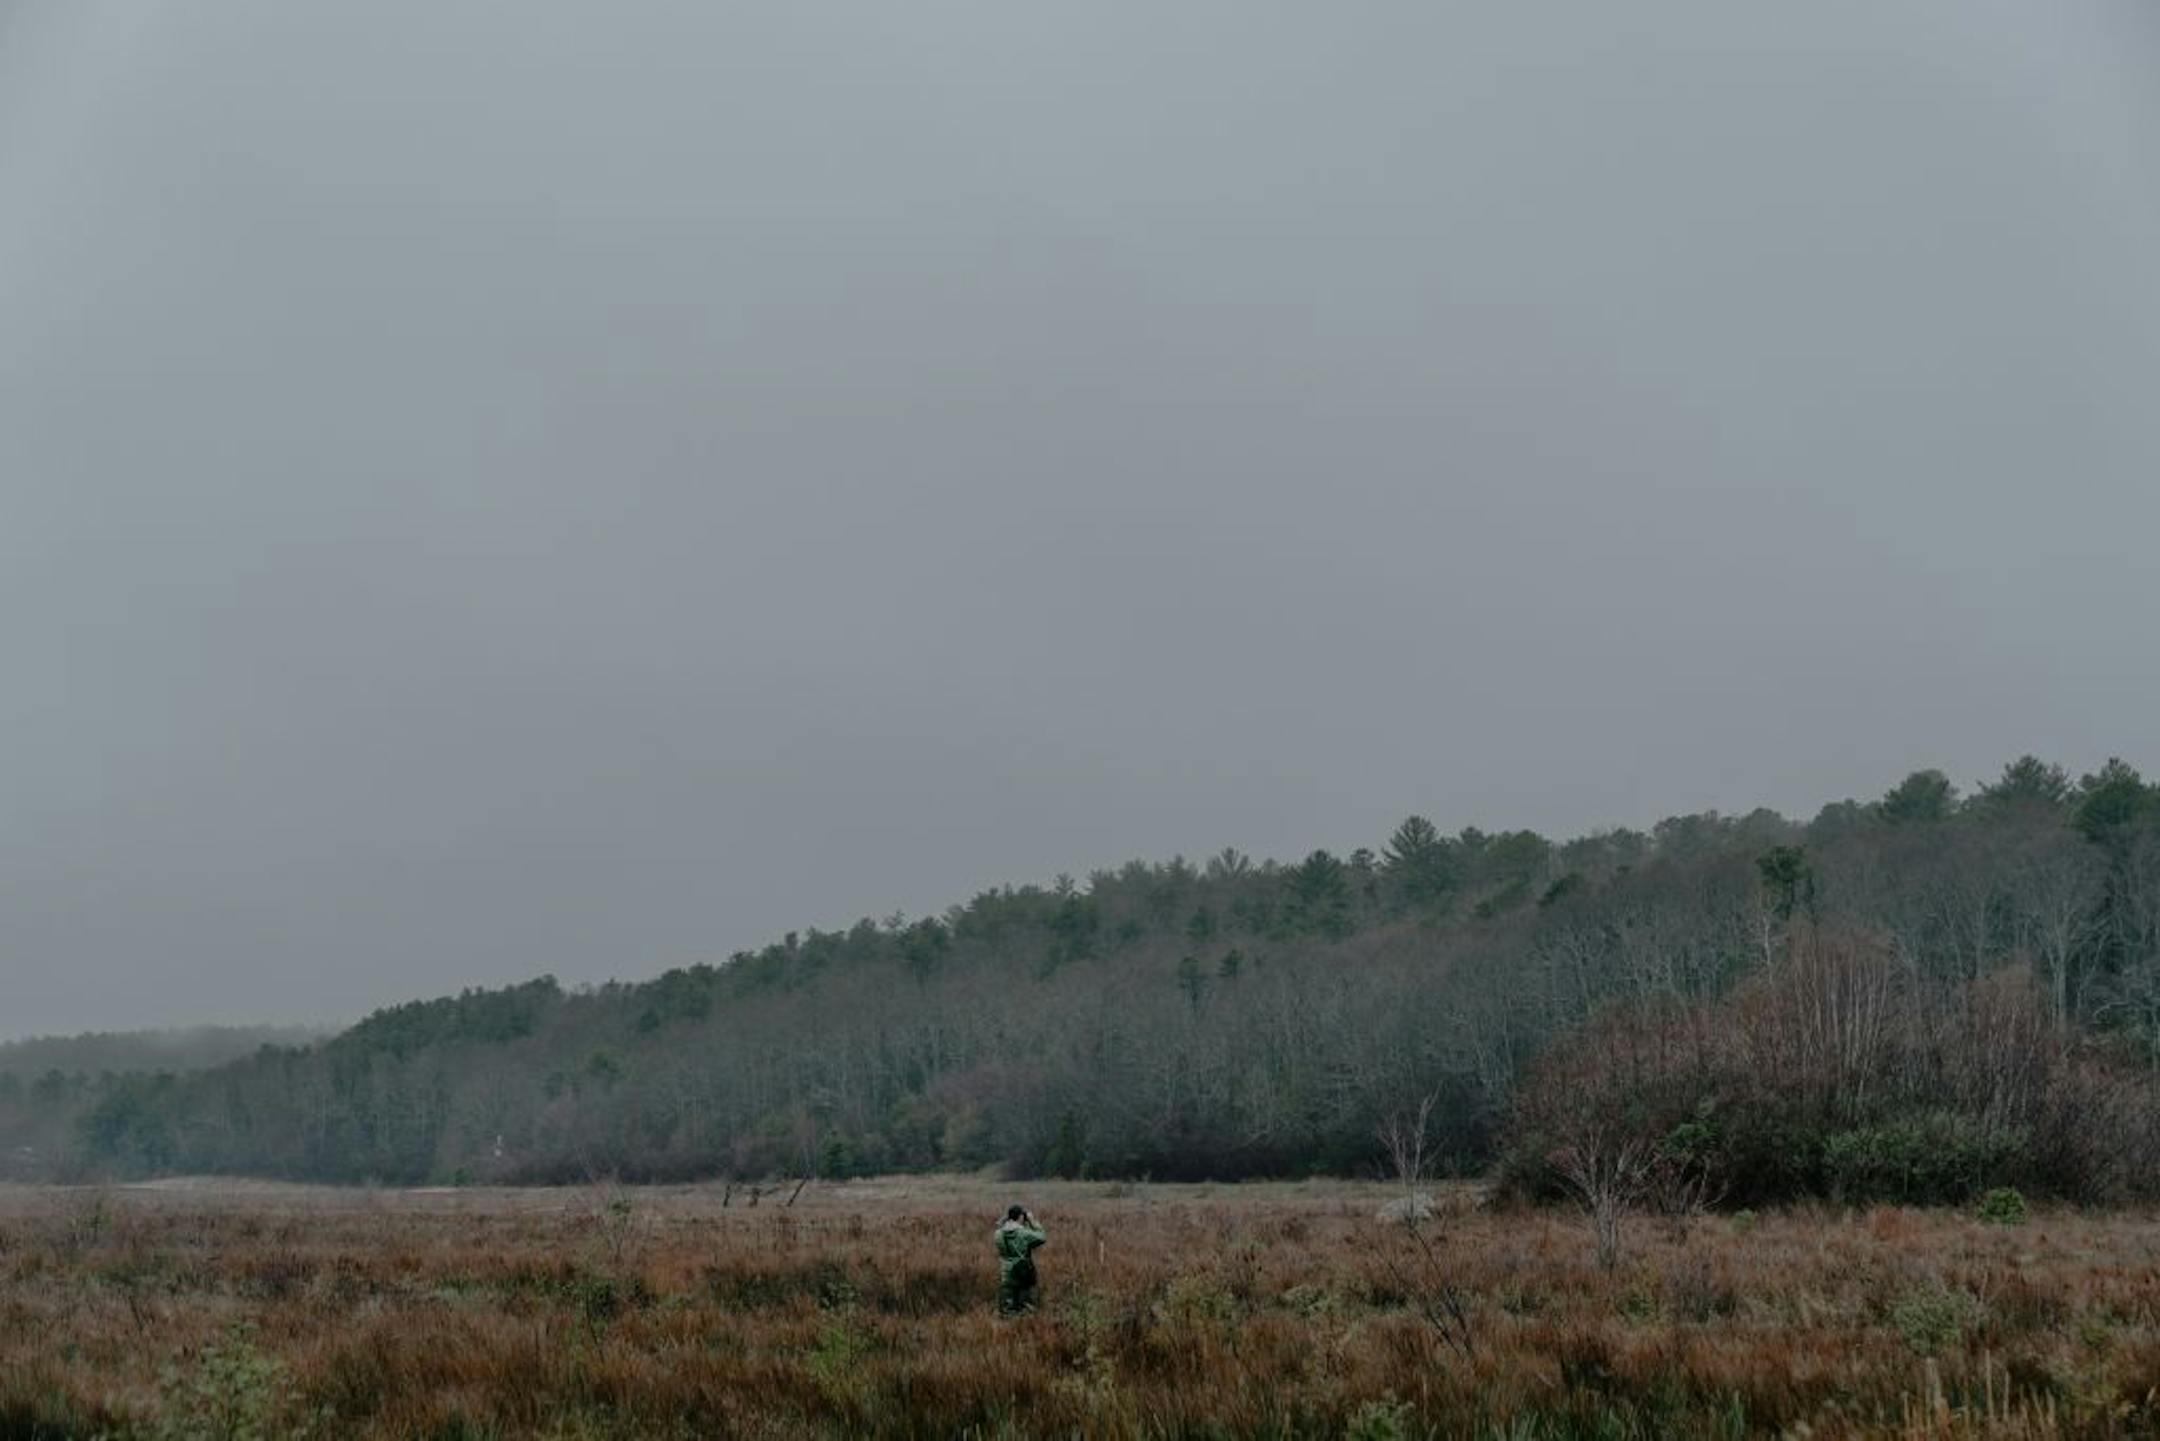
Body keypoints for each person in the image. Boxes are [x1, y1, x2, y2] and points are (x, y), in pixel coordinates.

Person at [993, 1204, 1047, 1315]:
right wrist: (1032, 1221)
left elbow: (999, 1225)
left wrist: (1005, 1219)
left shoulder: (998, 1234)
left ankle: (1008, 1328)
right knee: (1025, 1306)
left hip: (1006, 1272)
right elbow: (1042, 1237)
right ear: (1020, 1217)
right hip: (1022, 1271)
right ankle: (1024, 1328)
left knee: (1007, 1308)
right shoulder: (1023, 1233)